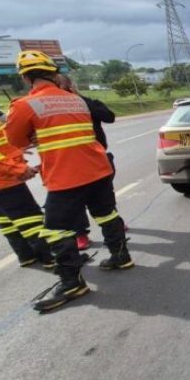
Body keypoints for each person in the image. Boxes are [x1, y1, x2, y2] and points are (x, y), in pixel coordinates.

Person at [5, 50, 133, 313]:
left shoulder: (24, 105)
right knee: (106, 213)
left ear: (27, 79)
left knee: (56, 230)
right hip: (97, 169)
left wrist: (35, 137)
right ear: (54, 74)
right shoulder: (76, 100)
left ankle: (71, 283)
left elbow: (14, 141)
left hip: (66, 175)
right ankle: (121, 256)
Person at [0, 105, 54, 269]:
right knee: (30, 217)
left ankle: (26, 255)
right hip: (1, 178)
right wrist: (19, 169)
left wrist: (16, 152)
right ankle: (51, 256)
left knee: (7, 217)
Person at [55, 75, 116, 251]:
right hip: (67, 162)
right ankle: (81, 234)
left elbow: (109, 116)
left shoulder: (86, 103)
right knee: (75, 202)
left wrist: (79, 99)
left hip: (97, 157)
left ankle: (114, 228)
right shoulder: (51, 109)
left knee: (104, 197)